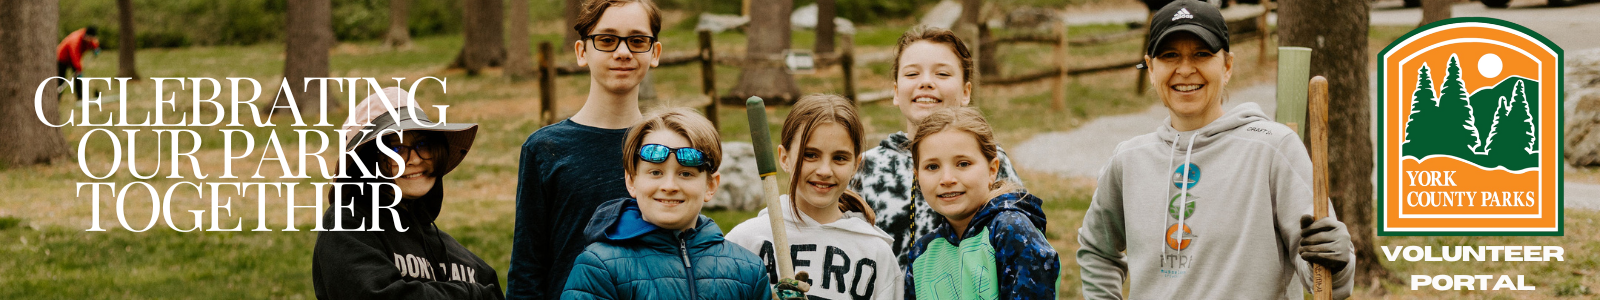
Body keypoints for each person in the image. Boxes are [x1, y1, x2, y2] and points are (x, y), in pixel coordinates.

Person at [1075, 1, 1354, 299]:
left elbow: (1325, 280)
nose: (1185, 69)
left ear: (1227, 66)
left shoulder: (1272, 149)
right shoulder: (1128, 160)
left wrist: (1336, 263)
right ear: (1151, 68)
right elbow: (1096, 250)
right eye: (1170, 55)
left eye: (1202, 54)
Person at [504, 0, 664, 299]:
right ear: (582, 52)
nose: (623, 52)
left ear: (654, 53)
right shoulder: (545, 148)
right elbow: (527, 266)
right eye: (606, 40)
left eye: (637, 40)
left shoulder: (668, 146)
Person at [850, 25, 1026, 267]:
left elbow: (1022, 249)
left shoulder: (988, 160)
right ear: (895, 91)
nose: (926, 82)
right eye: (912, 74)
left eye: (942, 74)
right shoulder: (864, 168)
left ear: (966, 92)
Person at [312, 87, 502, 299]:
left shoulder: (467, 263)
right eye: (395, 149)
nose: (415, 159)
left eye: (423, 144)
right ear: (367, 163)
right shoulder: (347, 227)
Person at [561, 108, 771, 299]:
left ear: (711, 185)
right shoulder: (599, 268)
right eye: (655, 172)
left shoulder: (748, 271)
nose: (669, 185)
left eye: (686, 173)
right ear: (631, 181)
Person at [725, 94, 902, 300]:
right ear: (784, 158)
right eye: (810, 155)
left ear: (856, 164)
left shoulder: (875, 253)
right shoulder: (745, 241)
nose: (824, 170)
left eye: (839, 158)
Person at [902, 107, 1059, 299]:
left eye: (963, 164)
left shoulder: (1012, 232)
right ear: (917, 177)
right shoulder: (921, 254)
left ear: (992, 170)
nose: (947, 178)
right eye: (932, 166)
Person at [56, 26, 101, 99]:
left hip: (73, 59)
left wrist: (96, 48)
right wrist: (79, 69)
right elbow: (75, 55)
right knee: (61, 79)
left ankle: (80, 98)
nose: (91, 41)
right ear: (86, 36)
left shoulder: (88, 37)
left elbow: (94, 43)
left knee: (78, 79)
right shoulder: (75, 40)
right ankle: (57, 98)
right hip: (62, 58)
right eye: (90, 39)